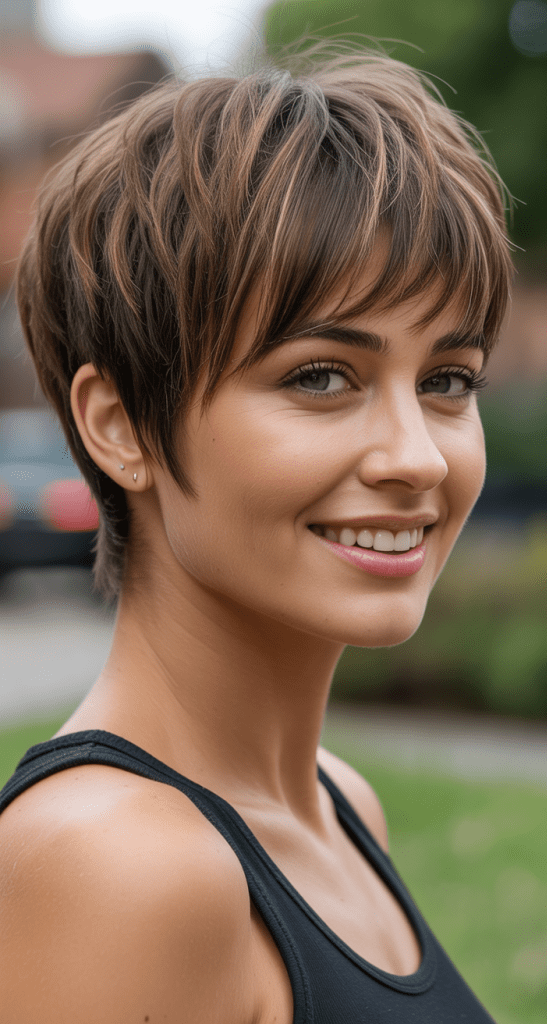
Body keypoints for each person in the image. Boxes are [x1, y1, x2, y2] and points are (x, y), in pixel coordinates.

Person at [0, 45, 513, 1023]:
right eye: (321, 376)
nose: (416, 457)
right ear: (119, 425)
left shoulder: (341, 807)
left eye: (447, 380)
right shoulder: (119, 867)